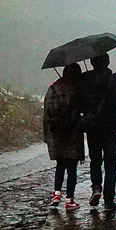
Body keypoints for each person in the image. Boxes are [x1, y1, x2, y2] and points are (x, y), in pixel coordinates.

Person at [78, 53, 116, 211]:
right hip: (111, 127)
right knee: (111, 163)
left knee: (95, 160)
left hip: (93, 127)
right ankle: (109, 200)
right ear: (108, 62)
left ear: (92, 62)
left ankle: (96, 187)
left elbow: (79, 104)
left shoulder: (85, 80)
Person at [43, 62, 85, 211]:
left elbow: (46, 112)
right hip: (73, 133)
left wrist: (45, 134)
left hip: (57, 133)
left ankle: (56, 195)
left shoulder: (53, 88)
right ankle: (70, 200)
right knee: (72, 168)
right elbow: (83, 109)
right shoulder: (78, 90)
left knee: (60, 166)